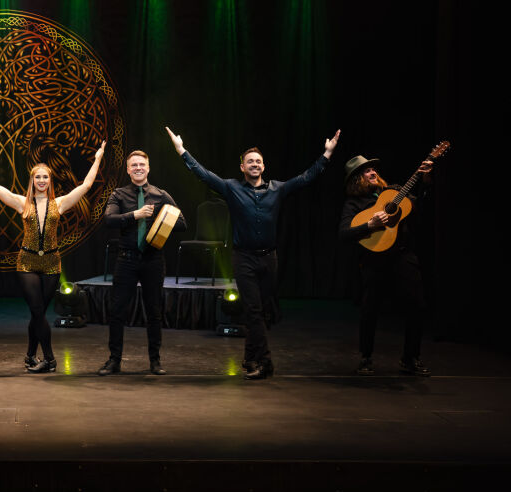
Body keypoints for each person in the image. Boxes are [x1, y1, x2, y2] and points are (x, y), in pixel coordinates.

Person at [166, 126, 340, 379]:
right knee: (254, 310)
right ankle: (265, 363)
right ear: (242, 167)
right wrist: (181, 150)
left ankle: (249, 358)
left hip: (269, 258)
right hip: (244, 258)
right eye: (250, 162)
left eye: (258, 161)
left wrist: (327, 154)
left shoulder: (277, 189)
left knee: (260, 312)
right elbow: (203, 174)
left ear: (263, 166)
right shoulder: (231, 188)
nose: (255, 164)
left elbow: (305, 178)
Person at [0, 139, 105, 373]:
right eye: (38, 177)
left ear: (50, 181)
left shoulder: (59, 203)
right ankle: (50, 359)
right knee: (36, 309)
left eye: (45, 177)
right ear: (32, 180)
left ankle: (29, 355)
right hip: (27, 262)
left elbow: (86, 185)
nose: (42, 181)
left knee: (39, 314)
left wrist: (97, 159)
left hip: (52, 262)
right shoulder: (22, 203)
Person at [339, 154, 433, 376]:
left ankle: (410, 358)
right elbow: (344, 234)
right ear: (357, 179)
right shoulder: (354, 204)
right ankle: (365, 357)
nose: (373, 172)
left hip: (402, 255)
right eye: (366, 170)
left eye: (373, 169)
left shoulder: (394, 192)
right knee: (370, 309)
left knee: (417, 305)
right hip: (374, 260)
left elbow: (420, 207)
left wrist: (426, 183)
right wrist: (369, 226)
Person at [98, 150, 187, 376]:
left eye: (142, 165)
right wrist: (135, 215)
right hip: (126, 260)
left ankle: (155, 361)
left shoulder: (160, 195)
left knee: (154, 312)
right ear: (128, 170)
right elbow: (109, 220)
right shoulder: (118, 194)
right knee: (117, 311)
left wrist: (159, 219)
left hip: (153, 261)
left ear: (148, 168)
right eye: (134, 165)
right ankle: (114, 360)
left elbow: (182, 223)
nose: (138, 168)